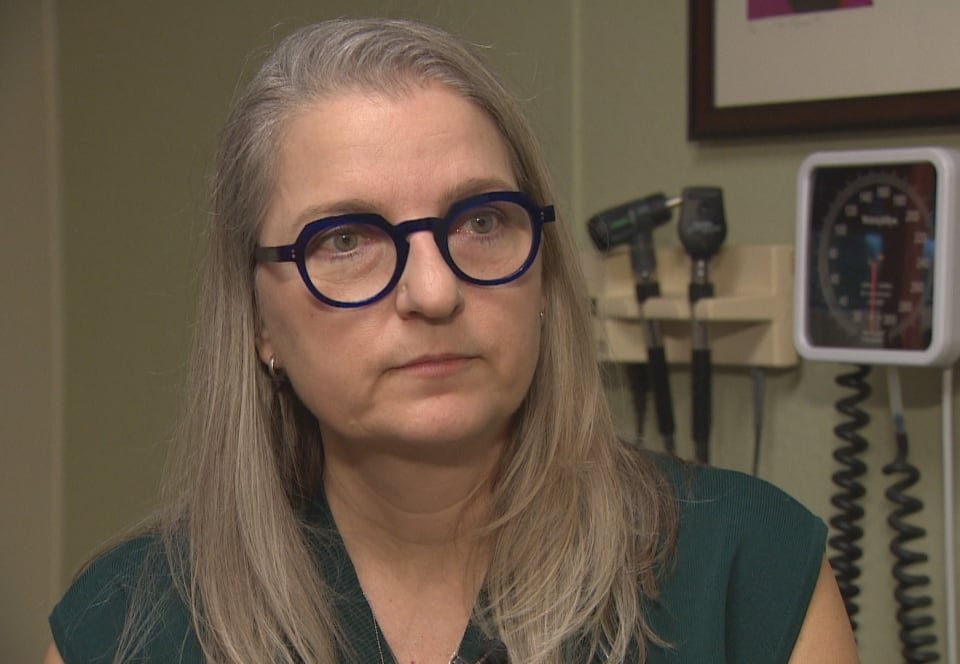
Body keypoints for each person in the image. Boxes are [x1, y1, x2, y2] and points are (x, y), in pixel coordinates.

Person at [45, 17, 858, 664]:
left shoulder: (748, 575)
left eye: (481, 222)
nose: (434, 291)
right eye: (347, 239)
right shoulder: (126, 623)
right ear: (259, 322)